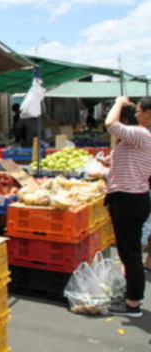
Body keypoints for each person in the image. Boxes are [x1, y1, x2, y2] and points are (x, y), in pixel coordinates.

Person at [103, 96, 151, 317]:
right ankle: (131, 296)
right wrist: (108, 163)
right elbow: (130, 163)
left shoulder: (142, 134)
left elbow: (110, 125)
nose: (137, 114)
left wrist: (119, 102)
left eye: (140, 110)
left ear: (149, 113)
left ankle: (133, 304)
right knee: (127, 252)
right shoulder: (142, 136)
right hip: (131, 198)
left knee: (130, 254)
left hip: (128, 200)